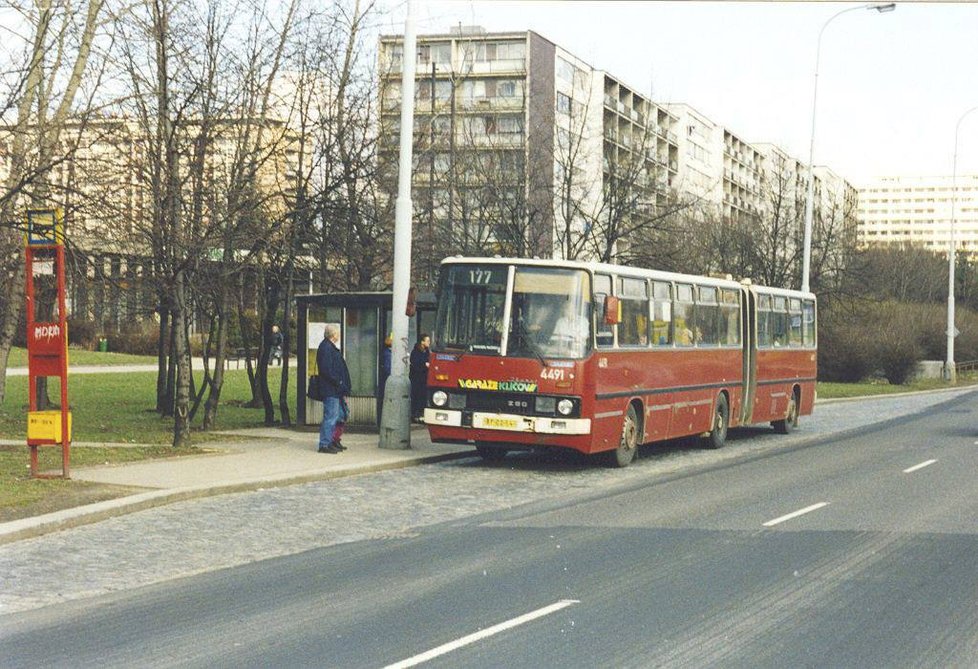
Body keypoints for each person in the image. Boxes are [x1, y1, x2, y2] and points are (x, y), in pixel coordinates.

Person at [316, 324, 351, 454]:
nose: (339, 335)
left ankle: (332, 441)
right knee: (330, 416)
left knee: (338, 415)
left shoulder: (329, 347)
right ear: (333, 334)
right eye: (337, 333)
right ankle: (325, 444)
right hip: (331, 388)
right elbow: (326, 369)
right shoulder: (326, 348)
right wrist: (338, 381)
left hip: (336, 389)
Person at [409, 333, 430, 421]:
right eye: (427, 341)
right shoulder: (415, 352)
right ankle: (414, 414)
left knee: (423, 397)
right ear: (422, 342)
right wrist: (425, 365)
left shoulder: (427, 352)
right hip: (416, 379)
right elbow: (415, 364)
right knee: (416, 396)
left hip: (424, 379)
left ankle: (421, 413)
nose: (429, 343)